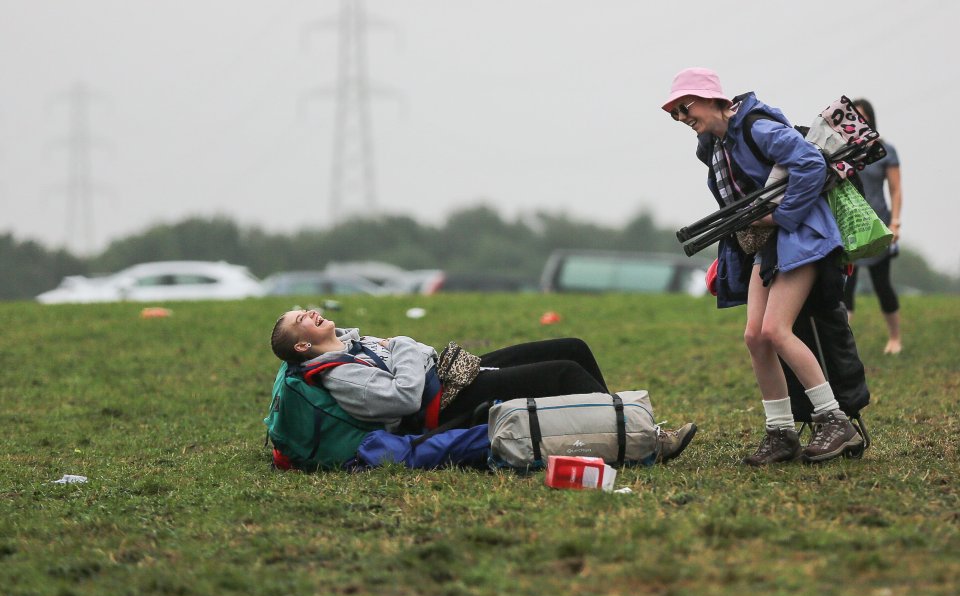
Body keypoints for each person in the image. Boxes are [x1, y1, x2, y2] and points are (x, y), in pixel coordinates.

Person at [662, 67, 864, 465]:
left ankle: (835, 420)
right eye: (675, 114)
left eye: (686, 108)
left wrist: (780, 216)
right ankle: (781, 432)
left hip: (802, 235)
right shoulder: (715, 144)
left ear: (713, 99)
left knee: (775, 330)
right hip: (767, 248)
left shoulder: (757, 128)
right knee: (755, 336)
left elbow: (810, 164)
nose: (684, 118)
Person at [269, 308, 696, 462]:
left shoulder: (352, 340)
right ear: (304, 344)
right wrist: (403, 347)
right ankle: (639, 440)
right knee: (563, 373)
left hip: (451, 373)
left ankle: (614, 427)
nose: (309, 312)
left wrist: (410, 354)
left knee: (573, 346)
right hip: (443, 402)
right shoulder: (339, 373)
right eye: (299, 319)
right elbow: (403, 397)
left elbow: (417, 355)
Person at [841, 99, 903, 355]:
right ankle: (843, 344)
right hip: (852, 227)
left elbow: (896, 189)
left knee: (882, 284)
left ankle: (895, 338)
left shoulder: (885, 149)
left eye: (862, 116)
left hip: (879, 224)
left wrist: (896, 222)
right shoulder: (842, 152)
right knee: (846, 286)